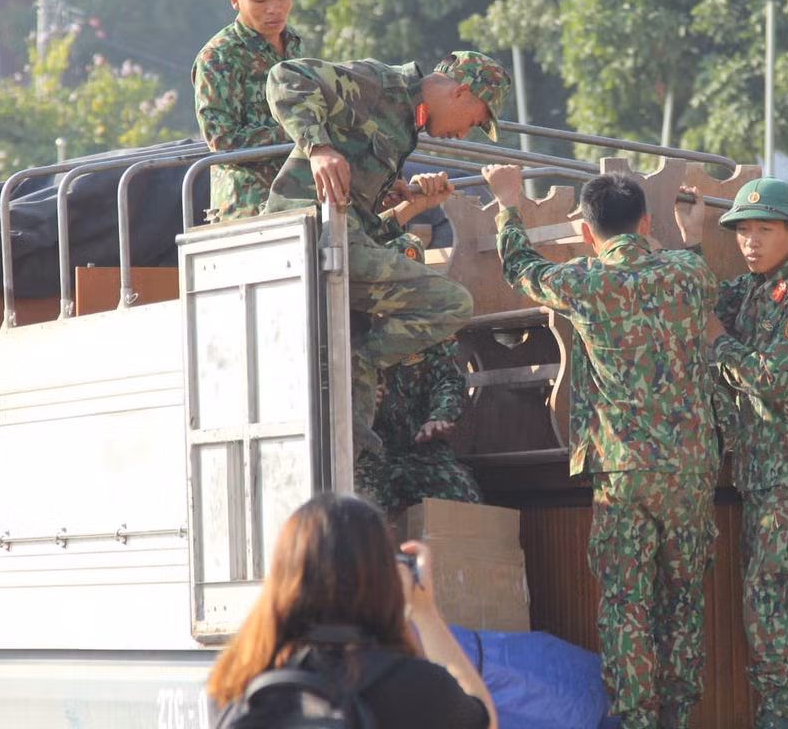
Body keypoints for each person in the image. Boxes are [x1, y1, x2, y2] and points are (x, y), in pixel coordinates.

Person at [482, 164, 719, 729]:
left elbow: (519, 267)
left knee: (626, 606)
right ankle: (678, 717)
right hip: (690, 469)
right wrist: (690, 232)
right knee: (683, 599)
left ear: (588, 233)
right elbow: (695, 268)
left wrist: (509, 203)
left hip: (622, 472)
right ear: (646, 222)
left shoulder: (583, 282)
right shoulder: (689, 273)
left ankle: (636, 720)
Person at [263, 50, 511, 458]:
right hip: (308, 234)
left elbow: (362, 216)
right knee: (450, 302)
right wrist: (318, 147)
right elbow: (286, 74)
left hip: (340, 241)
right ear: (461, 92)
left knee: (356, 403)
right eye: (474, 121)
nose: (464, 134)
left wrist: (401, 200)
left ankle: (352, 457)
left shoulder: (405, 124)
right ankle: (357, 362)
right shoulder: (382, 85)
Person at [679, 179, 788, 729]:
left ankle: (783, 718)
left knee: (771, 606)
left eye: (764, 230)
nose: (750, 241)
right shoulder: (752, 287)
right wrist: (692, 237)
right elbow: (697, 301)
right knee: (776, 606)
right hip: (763, 473)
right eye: (743, 231)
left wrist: (718, 340)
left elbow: (776, 379)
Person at [207, 492, 497, 729]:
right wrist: (425, 611)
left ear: (281, 578)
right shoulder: (420, 687)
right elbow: (485, 722)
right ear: (385, 578)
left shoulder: (236, 685)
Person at [354, 239, 483, 516]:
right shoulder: (357, 330)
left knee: (463, 494)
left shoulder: (430, 333)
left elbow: (447, 381)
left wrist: (440, 416)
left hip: (422, 452)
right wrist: (363, 406)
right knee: (360, 504)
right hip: (372, 454)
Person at [192, 0, 304, 222]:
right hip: (248, 206)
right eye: (260, 0)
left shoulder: (293, 43)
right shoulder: (219, 57)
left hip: (300, 193)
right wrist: (298, 131)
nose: (275, 9)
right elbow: (222, 140)